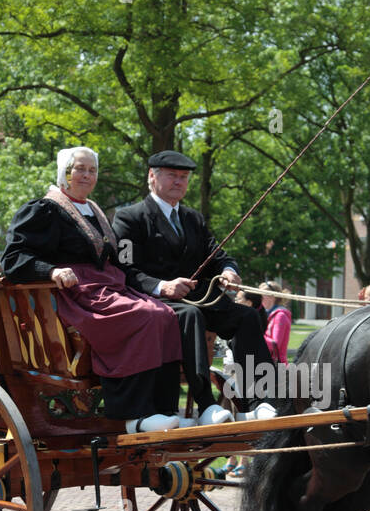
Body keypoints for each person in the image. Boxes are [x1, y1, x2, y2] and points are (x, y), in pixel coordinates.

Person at [0, 147, 183, 434]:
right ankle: (133, 415)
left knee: (165, 314)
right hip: (75, 293)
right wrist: (52, 271)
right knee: (145, 314)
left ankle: (163, 408)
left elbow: (116, 259)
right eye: (80, 169)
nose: (86, 175)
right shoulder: (44, 208)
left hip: (108, 286)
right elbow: (12, 259)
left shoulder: (94, 210)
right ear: (65, 173)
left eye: (92, 170)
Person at [112, 150, 276, 423]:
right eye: (172, 176)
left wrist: (228, 271)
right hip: (154, 303)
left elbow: (219, 256)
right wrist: (162, 286)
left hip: (199, 298)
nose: (179, 182)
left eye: (184, 177)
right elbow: (124, 270)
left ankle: (260, 401)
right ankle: (207, 405)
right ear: (152, 177)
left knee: (246, 317)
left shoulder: (193, 219)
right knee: (191, 317)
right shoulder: (130, 218)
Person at [259, 281, 292, 364]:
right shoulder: (266, 314)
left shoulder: (280, 316)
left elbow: (275, 346)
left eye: (261, 294)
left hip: (277, 367)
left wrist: (254, 335)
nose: (259, 298)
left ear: (272, 297)